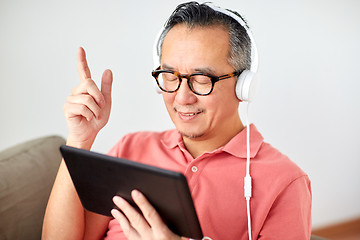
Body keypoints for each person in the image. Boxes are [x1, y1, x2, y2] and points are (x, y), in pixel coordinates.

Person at [42, 2, 312, 239]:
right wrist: (80, 139)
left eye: (201, 79)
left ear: (244, 86)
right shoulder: (132, 148)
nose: (182, 98)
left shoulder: (286, 182)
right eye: (170, 76)